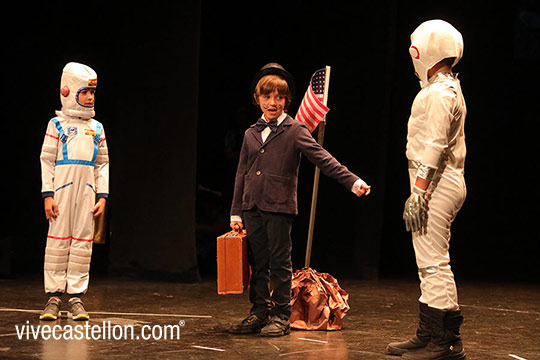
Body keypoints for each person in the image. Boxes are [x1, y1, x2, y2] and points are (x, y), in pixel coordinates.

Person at [228, 63, 371, 337]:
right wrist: (236, 212)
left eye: (279, 97)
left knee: (279, 263)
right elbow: (242, 174)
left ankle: (281, 315)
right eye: (267, 97)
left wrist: (352, 180)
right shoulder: (250, 133)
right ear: (257, 99)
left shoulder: (294, 130)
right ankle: (258, 312)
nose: (273, 102)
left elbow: (323, 158)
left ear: (287, 100)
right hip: (252, 206)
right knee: (258, 263)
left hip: (279, 206)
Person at [387, 20, 467, 359]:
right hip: (432, 181)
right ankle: (429, 332)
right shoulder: (443, 87)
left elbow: (434, 145)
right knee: (428, 262)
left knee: (434, 262)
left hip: (436, 183)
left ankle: (446, 340)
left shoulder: (440, 93)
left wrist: (419, 191)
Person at [39, 62, 109, 321]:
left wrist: (102, 195)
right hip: (62, 192)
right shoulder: (56, 124)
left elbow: (102, 163)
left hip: (87, 194)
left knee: (82, 243)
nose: (90, 97)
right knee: (58, 241)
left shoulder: (97, 128)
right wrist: (48, 194)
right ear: (69, 91)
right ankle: (54, 297)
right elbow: (46, 159)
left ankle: (77, 297)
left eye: (92, 93)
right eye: (85, 92)